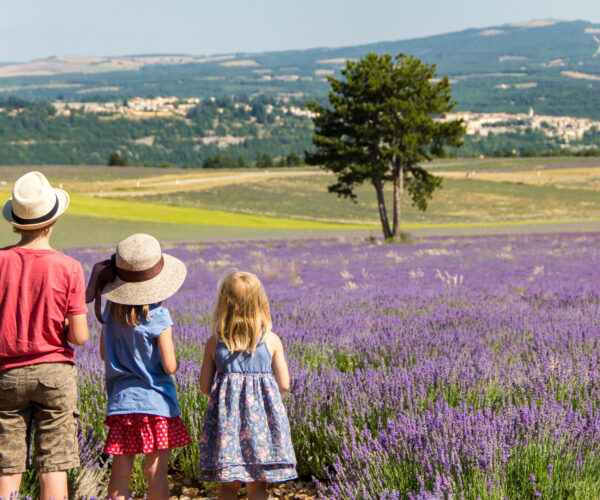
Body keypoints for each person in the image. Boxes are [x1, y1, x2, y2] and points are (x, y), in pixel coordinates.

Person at [0, 171, 89, 500]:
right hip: (54, 373)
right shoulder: (69, 267)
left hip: (6, 375)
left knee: (7, 468)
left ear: (16, 222)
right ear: (52, 221)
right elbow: (79, 336)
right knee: (53, 466)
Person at [85, 233, 190, 500]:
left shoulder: (109, 312)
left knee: (120, 471)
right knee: (155, 472)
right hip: (157, 405)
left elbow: (102, 354)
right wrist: (176, 363)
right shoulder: (159, 315)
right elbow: (168, 365)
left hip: (122, 404)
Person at [198, 270, 297, 500]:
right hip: (261, 426)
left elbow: (205, 386)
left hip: (227, 428)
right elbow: (284, 383)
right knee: (258, 486)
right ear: (260, 303)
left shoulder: (214, 343)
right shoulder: (271, 341)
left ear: (223, 304)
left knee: (227, 487)